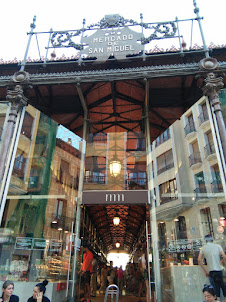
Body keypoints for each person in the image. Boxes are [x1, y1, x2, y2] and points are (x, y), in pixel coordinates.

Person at [198, 235, 226, 302]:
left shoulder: (204, 248)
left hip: (212, 272)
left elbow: (199, 260)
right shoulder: (218, 246)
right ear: (212, 240)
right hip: (220, 271)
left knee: (216, 293)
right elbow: (224, 256)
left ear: (205, 240)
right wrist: (223, 264)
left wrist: (205, 270)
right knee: (225, 291)